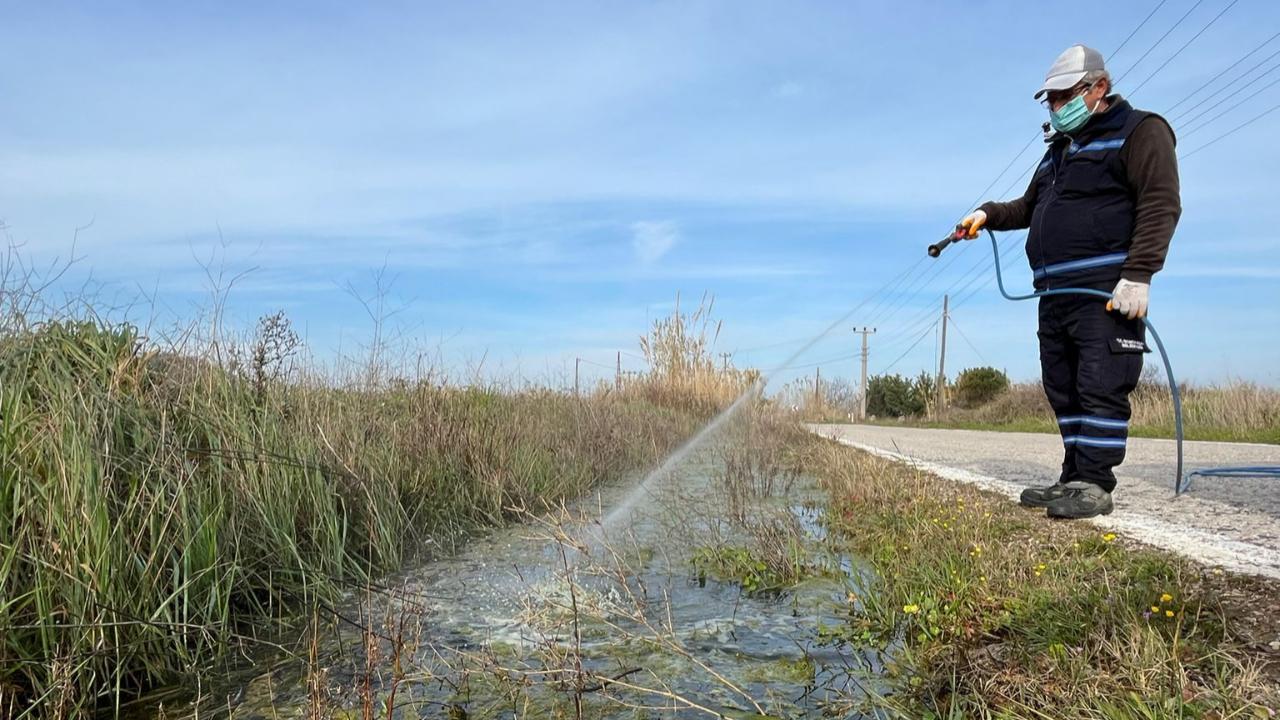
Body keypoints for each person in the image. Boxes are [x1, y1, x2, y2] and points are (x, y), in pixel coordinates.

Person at [959, 44, 1181, 519]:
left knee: (1101, 383)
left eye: (1065, 97)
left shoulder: (1141, 132)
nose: (1058, 108)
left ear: (1098, 87)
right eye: (1052, 101)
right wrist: (986, 214)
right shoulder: (1057, 154)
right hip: (1054, 296)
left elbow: (1161, 203)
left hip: (1104, 291)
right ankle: (1073, 477)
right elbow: (1026, 207)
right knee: (1063, 387)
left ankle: (1096, 483)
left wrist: (1139, 274)